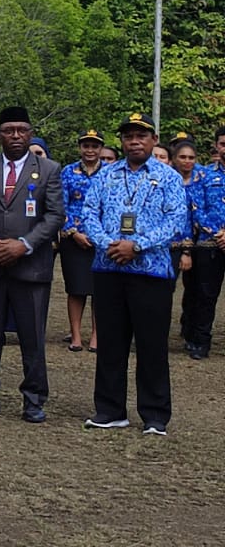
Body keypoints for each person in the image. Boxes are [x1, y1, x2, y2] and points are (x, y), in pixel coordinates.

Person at [81, 112, 188, 434]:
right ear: (122, 141)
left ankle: (155, 415)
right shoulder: (106, 174)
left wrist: (137, 245)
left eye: (141, 136)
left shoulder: (167, 177)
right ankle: (110, 409)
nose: (134, 141)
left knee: (151, 345)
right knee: (111, 343)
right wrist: (108, 245)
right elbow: (88, 213)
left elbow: (176, 221)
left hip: (151, 273)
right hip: (109, 269)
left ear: (154, 140)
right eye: (128, 136)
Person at [0, 108, 65, 423]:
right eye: (9, 130)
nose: (15, 135)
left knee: (32, 337)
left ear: (30, 133)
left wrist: (24, 245)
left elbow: (55, 215)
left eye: (21, 129)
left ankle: (33, 400)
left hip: (31, 267)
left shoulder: (48, 169)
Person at [174, 133, 225, 360]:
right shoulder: (203, 175)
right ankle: (200, 341)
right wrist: (218, 233)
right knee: (205, 296)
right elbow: (196, 208)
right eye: (223, 144)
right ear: (216, 146)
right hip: (209, 244)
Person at [59, 129, 106, 353]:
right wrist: (73, 232)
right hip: (73, 239)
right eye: (86, 146)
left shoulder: (109, 172)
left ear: (101, 148)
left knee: (100, 290)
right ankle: (76, 335)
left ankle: (97, 336)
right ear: (80, 147)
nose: (90, 150)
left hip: (101, 240)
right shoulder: (68, 172)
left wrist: (99, 236)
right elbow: (60, 205)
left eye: (94, 146)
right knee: (76, 289)